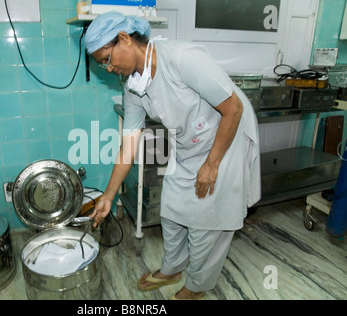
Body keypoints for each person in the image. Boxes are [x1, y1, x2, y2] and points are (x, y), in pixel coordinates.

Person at [85, 11, 261, 300]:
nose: (107, 68)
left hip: (226, 136)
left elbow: (233, 108)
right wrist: (108, 195)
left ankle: (196, 287)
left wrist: (212, 163)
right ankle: (173, 267)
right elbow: (128, 146)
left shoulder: (180, 58)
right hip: (190, 142)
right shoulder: (133, 88)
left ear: (124, 39)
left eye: (106, 59)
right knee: (173, 206)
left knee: (209, 219)